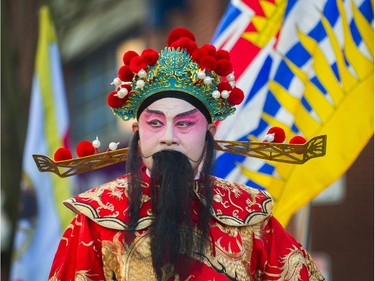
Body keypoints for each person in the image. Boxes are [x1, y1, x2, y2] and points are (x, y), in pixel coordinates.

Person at [48, 28, 325, 281]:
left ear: (210, 133)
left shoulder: (251, 220)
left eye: (184, 123)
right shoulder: (95, 222)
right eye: (155, 123)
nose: (168, 137)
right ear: (136, 132)